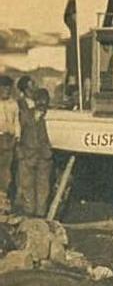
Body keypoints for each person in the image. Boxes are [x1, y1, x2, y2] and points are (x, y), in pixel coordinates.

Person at [15, 88, 53, 216]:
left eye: (45, 101)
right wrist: (21, 153)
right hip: (27, 155)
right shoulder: (24, 115)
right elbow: (18, 134)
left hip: (44, 156)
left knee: (43, 186)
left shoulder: (51, 117)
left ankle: (40, 214)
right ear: (35, 101)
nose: (42, 103)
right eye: (39, 100)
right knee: (26, 185)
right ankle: (29, 212)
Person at [0, 76, 20, 213]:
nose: (6, 91)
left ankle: (3, 201)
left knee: (6, 171)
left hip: (9, 139)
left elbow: (17, 122)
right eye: (3, 88)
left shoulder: (13, 104)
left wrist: (17, 137)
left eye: (8, 88)